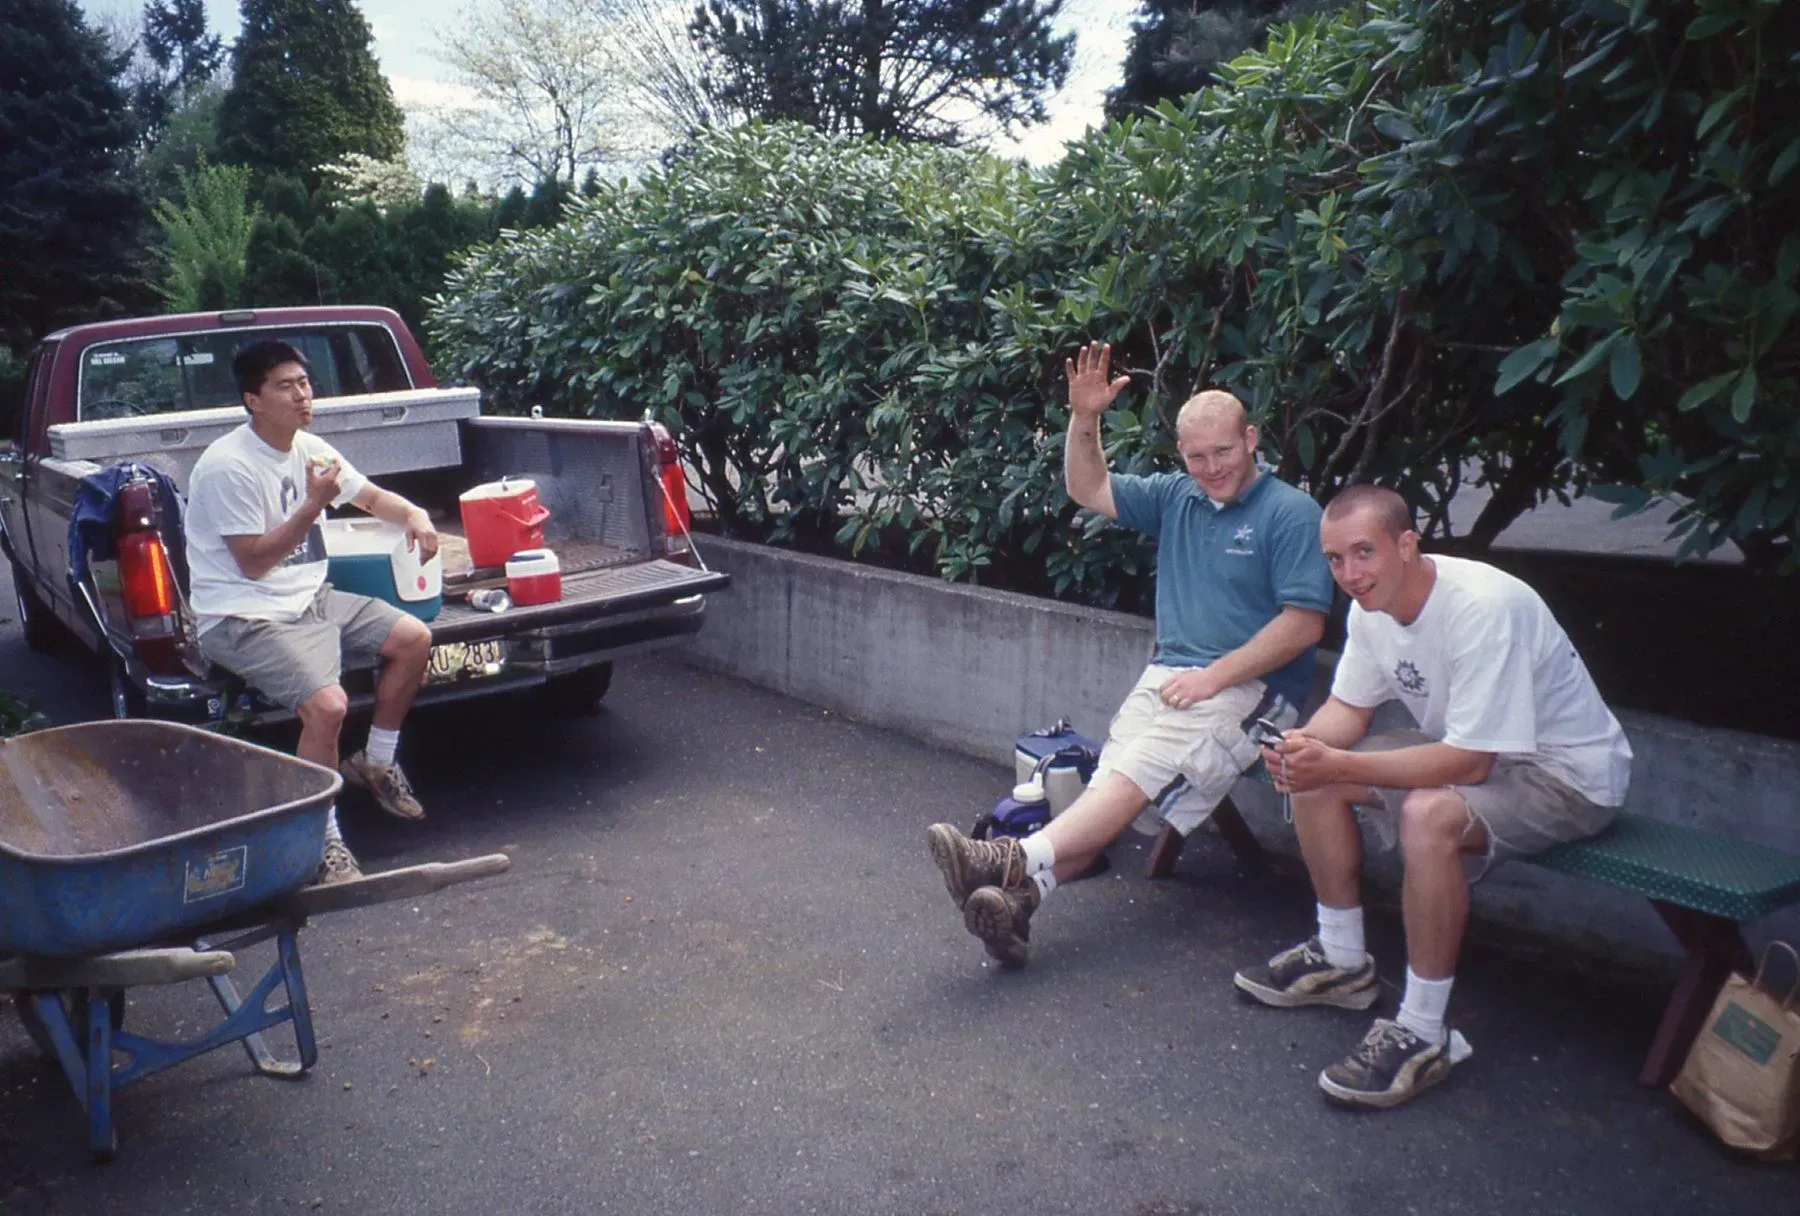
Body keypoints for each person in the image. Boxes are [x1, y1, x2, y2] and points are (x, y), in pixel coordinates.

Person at [926, 342, 1334, 967]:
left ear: (1251, 439)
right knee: (1112, 784)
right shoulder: (1177, 496)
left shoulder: (1290, 513)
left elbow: (1304, 624)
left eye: (1224, 451)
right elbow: (1087, 487)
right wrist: (1084, 417)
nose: (1211, 467)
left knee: (1135, 768)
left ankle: (1011, 858)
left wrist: (1213, 678)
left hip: (1255, 692)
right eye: (1196, 456)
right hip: (1173, 676)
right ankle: (1023, 900)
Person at [1233, 483, 1632, 1109]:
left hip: (1565, 777)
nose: (1349, 574)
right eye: (1335, 560)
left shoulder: (1481, 606)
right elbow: (1347, 709)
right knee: (1315, 771)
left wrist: (1331, 756)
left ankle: (1423, 1031)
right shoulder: (1370, 610)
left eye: (1363, 552)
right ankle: (1341, 960)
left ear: (1407, 544)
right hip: (1479, 750)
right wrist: (1304, 745)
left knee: (1428, 814)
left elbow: (1469, 764)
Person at [185, 339, 439, 884]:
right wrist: (312, 505)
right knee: (326, 708)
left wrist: (415, 514)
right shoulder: (227, 466)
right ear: (253, 399)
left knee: (413, 638)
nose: (302, 395)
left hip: (308, 597)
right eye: (286, 386)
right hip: (243, 614)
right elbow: (253, 563)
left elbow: (370, 497)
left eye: (305, 383)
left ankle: (375, 760)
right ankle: (321, 840)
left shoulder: (310, 448)